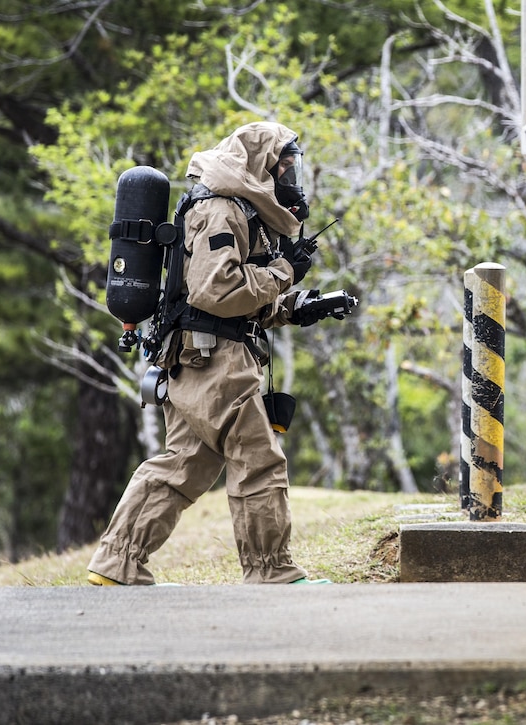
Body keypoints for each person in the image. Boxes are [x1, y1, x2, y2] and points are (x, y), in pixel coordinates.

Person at [88, 121, 338, 585]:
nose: (289, 177)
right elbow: (216, 292)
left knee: (184, 464)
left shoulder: (241, 210)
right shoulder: (221, 209)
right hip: (216, 361)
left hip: (201, 356)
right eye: (284, 166)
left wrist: (299, 308)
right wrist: (285, 271)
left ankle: (116, 563)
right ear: (260, 164)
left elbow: (236, 303)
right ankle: (271, 573)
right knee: (258, 459)